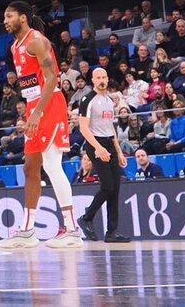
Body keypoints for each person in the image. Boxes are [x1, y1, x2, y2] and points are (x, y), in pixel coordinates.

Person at [0, 2, 82, 249]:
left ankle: (72, 230)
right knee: (30, 167)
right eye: (4, 16)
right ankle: (27, 231)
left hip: (50, 104)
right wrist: (31, 111)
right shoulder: (15, 46)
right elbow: (31, 83)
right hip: (35, 105)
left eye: (9, 15)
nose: (5, 20)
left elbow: (53, 77)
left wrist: (37, 113)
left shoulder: (37, 40)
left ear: (23, 18)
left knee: (53, 164)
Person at [76, 67, 130, 243]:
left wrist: (119, 151)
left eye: (104, 77)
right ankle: (86, 218)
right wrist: (99, 148)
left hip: (109, 142)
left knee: (116, 187)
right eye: (98, 77)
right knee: (107, 185)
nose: (101, 80)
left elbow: (110, 127)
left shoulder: (109, 100)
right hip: (95, 144)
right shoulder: (87, 100)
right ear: (93, 80)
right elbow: (84, 128)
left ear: (108, 79)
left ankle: (112, 232)